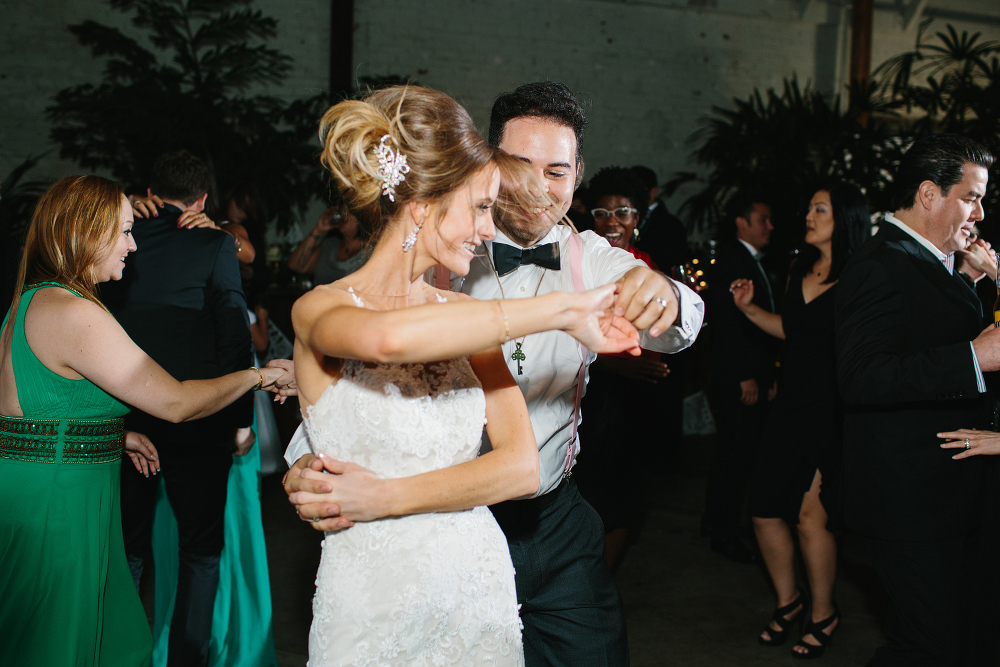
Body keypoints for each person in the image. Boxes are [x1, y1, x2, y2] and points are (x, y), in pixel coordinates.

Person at [285, 81, 704, 666]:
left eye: (557, 171)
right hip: (384, 575)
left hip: (534, 522)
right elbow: (371, 361)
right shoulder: (390, 290)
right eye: (515, 170)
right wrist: (309, 462)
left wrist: (659, 291)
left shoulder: (579, 260)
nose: (531, 190)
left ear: (577, 173)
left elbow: (522, 462)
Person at [0, 175, 286, 666]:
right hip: (58, 507)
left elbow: (31, 413)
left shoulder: (31, 300)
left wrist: (111, 434)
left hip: (51, 486)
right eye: (125, 231)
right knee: (59, 645)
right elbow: (176, 402)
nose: (133, 246)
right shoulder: (74, 313)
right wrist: (259, 378)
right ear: (86, 232)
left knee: (109, 640)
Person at [835, 134, 998, 666]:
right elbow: (862, 375)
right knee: (930, 646)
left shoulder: (930, 261)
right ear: (930, 195)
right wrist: (974, 357)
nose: (979, 213)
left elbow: (922, 333)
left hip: (943, 496)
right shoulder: (881, 263)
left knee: (944, 637)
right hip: (909, 502)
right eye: (971, 197)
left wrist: (970, 288)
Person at [101, 149, 259, 667]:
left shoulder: (118, 240)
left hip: (123, 417)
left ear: (148, 194)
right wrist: (240, 421)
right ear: (203, 198)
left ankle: (120, 652)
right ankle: (187, 660)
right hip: (198, 419)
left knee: (128, 548)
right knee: (199, 551)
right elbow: (234, 332)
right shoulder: (215, 244)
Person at [730, 183, 870, 658]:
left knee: (812, 518)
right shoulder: (798, 269)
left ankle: (824, 612)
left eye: (819, 208)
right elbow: (792, 331)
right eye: (809, 207)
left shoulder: (859, 277)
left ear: (845, 218)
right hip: (789, 405)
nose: (808, 215)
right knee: (766, 509)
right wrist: (750, 309)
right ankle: (789, 602)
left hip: (831, 410)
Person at [573, 166, 670, 571]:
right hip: (594, 398)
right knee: (588, 496)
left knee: (627, 497)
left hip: (636, 404)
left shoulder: (648, 268)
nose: (612, 222)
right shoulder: (580, 266)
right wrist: (618, 370)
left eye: (623, 213)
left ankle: (601, 580)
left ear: (638, 218)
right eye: (602, 212)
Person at [703, 191, 777, 563]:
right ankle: (724, 532)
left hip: (751, 376)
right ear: (742, 223)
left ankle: (717, 523)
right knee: (736, 456)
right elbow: (729, 324)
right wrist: (746, 376)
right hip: (739, 379)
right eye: (762, 219)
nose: (770, 226)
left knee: (732, 453)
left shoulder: (747, 259)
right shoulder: (734, 261)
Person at [287, 200, 371, 284]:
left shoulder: (371, 250)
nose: (344, 216)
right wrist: (318, 230)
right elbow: (295, 266)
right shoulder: (330, 245)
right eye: (342, 211)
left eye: (350, 212)